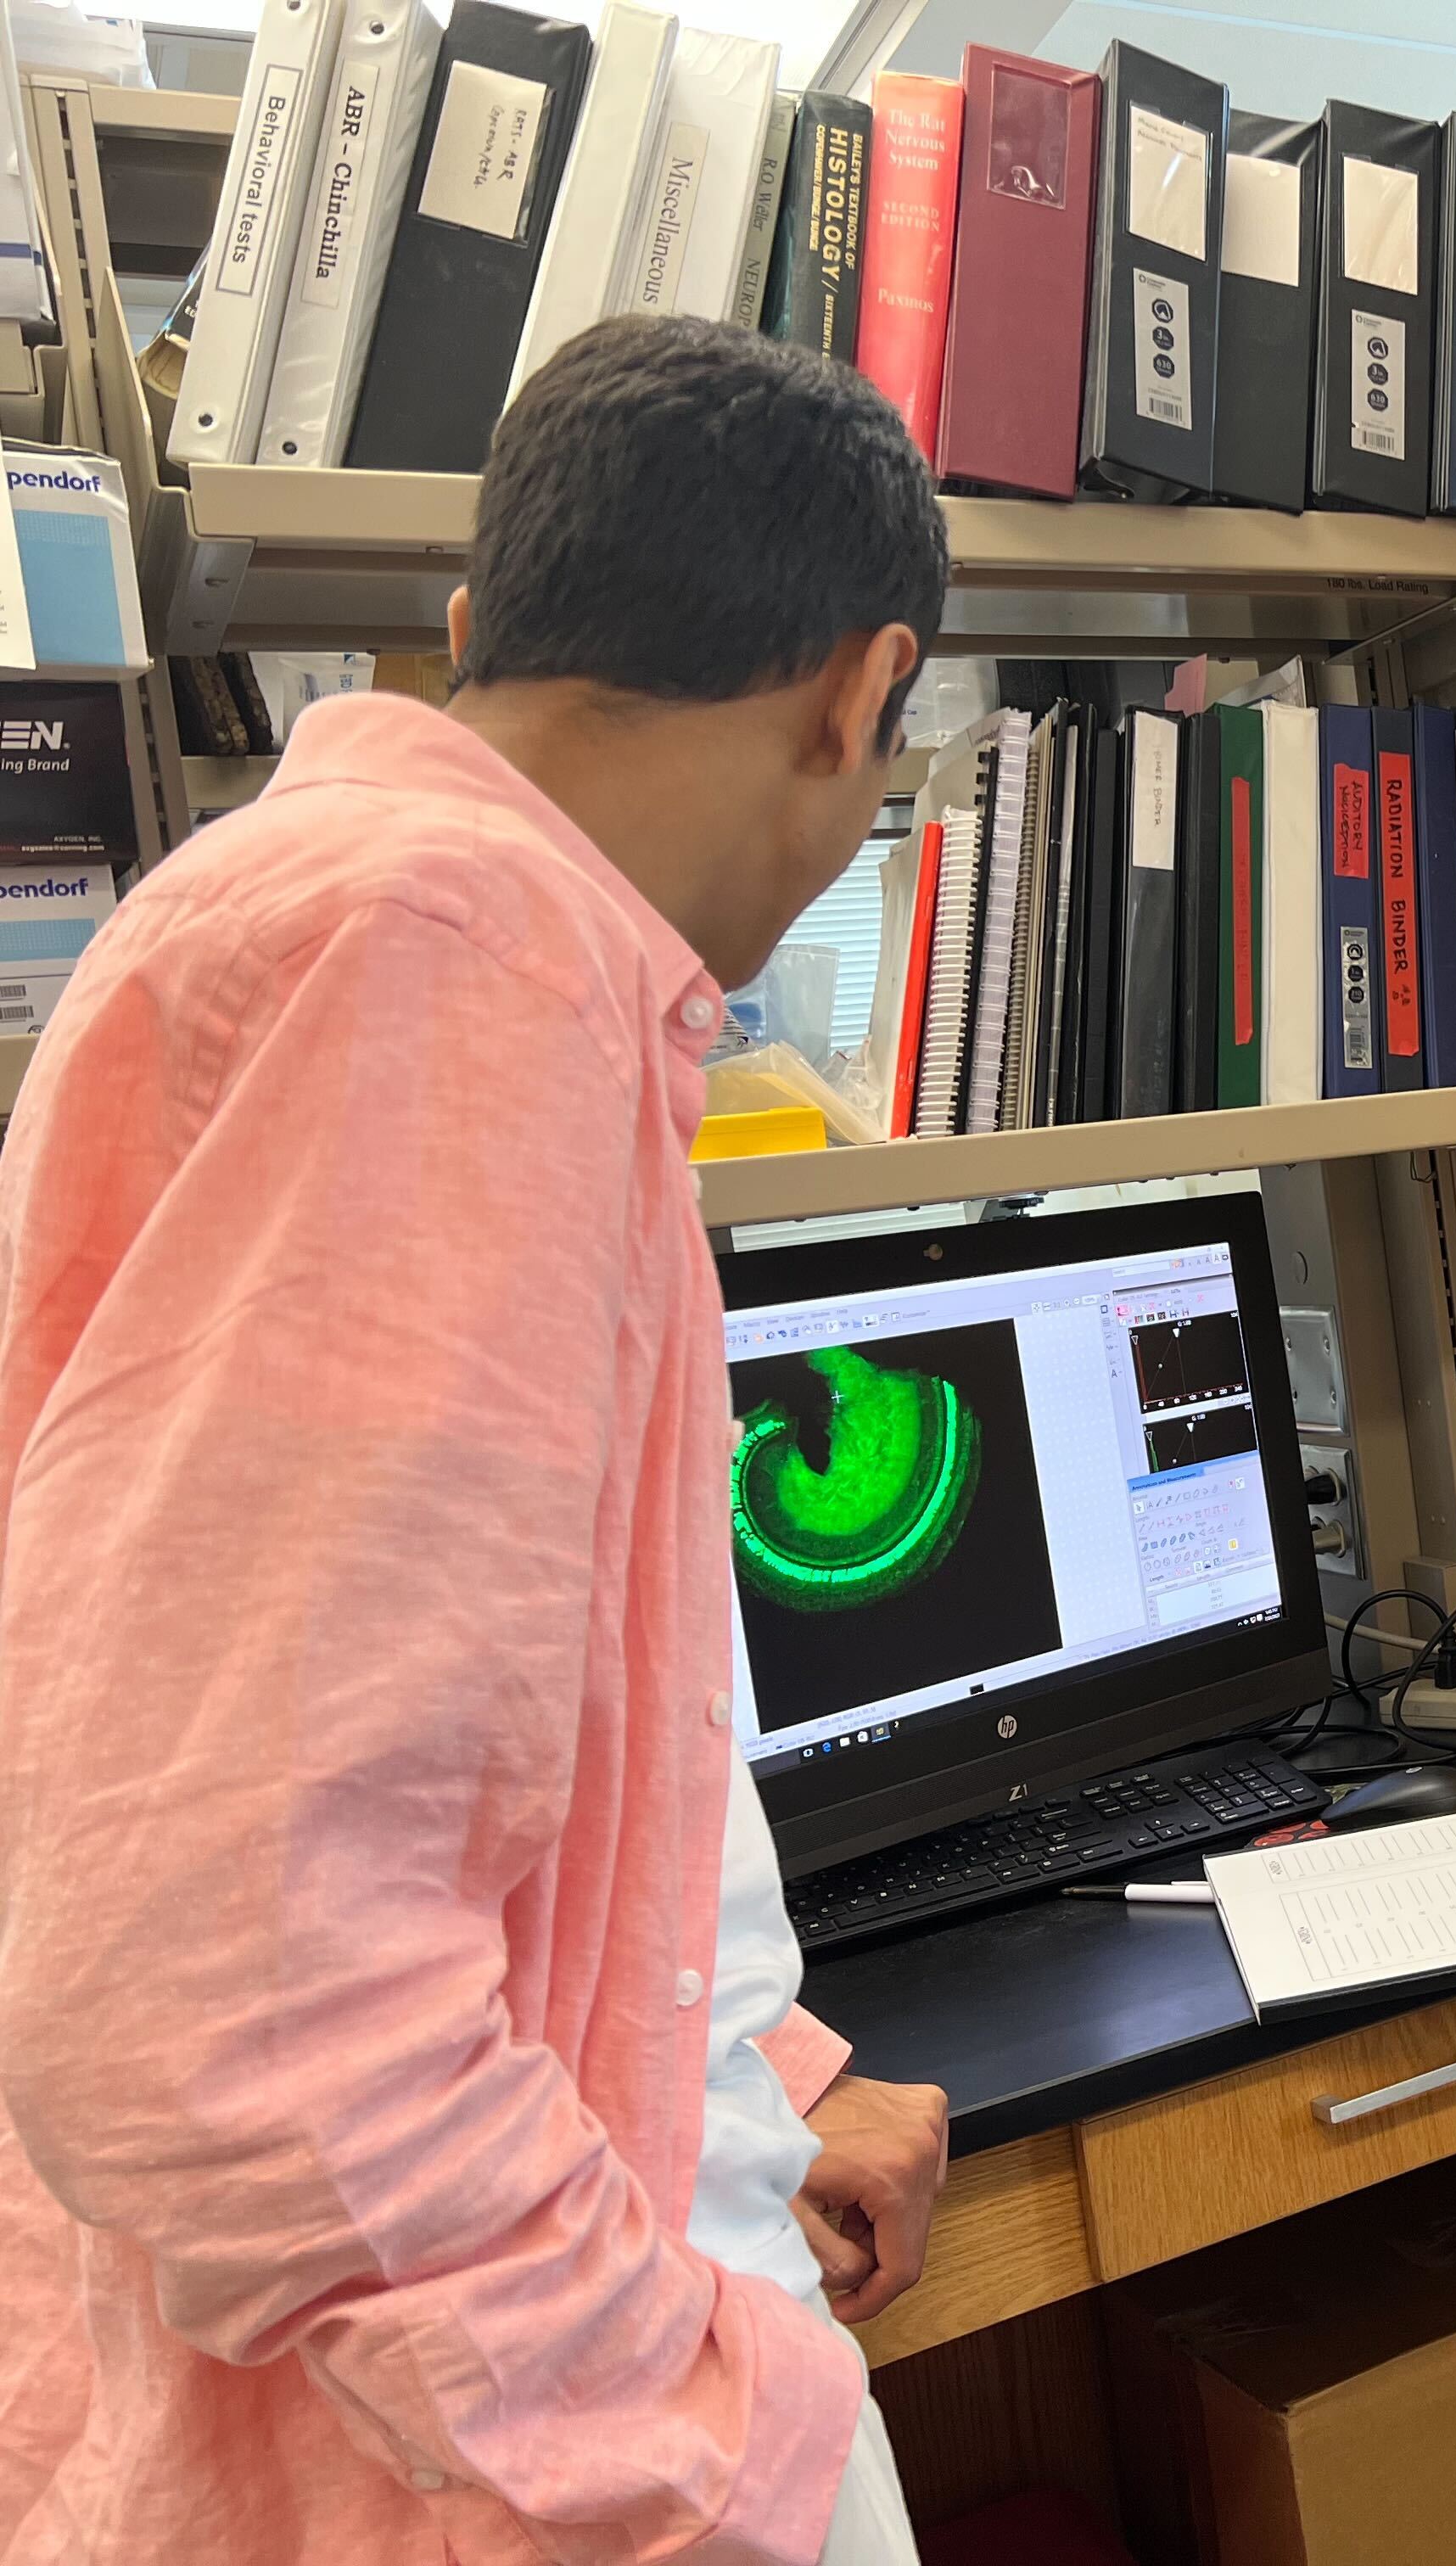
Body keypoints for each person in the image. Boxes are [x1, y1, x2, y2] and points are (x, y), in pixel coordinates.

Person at [0, 317, 959, 2563]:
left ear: (473, 634)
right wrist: (688, 2426)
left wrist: (748, 2078)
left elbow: (363, 1729)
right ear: (857, 692)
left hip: (546, 2294)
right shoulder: (459, 969)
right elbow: (232, 2011)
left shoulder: (302, 915)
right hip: (493, 2464)